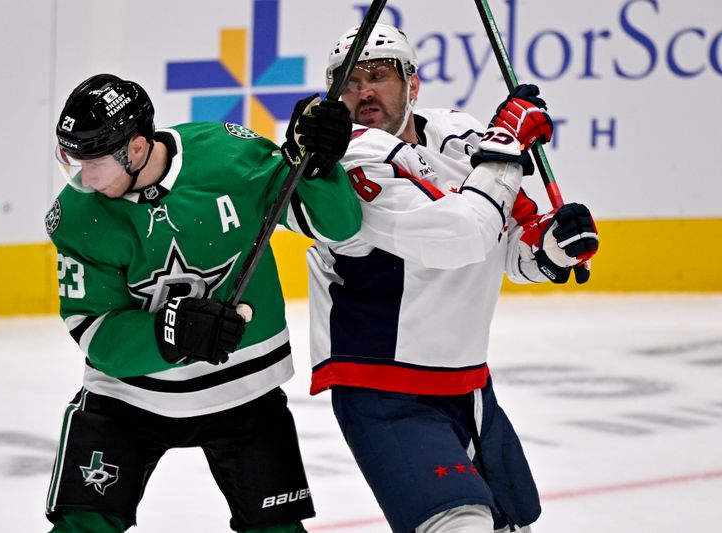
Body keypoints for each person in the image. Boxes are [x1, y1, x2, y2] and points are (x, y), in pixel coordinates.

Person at [306, 24, 599, 532]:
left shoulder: (455, 132)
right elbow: (462, 234)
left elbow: (506, 241)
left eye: (378, 75)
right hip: (382, 388)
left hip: (469, 384)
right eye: (349, 82)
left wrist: (552, 247)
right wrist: (506, 145)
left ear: (413, 84)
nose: (364, 91)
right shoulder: (351, 158)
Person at [44, 73, 360, 533]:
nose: (82, 179)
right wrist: (168, 333)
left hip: (245, 391)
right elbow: (96, 335)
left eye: (92, 162)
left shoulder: (227, 156)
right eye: (72, 161)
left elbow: (337, 226)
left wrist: (316, 168)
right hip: (129, 398)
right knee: (82, 527)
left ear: (135, 148)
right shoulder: (77, 216)